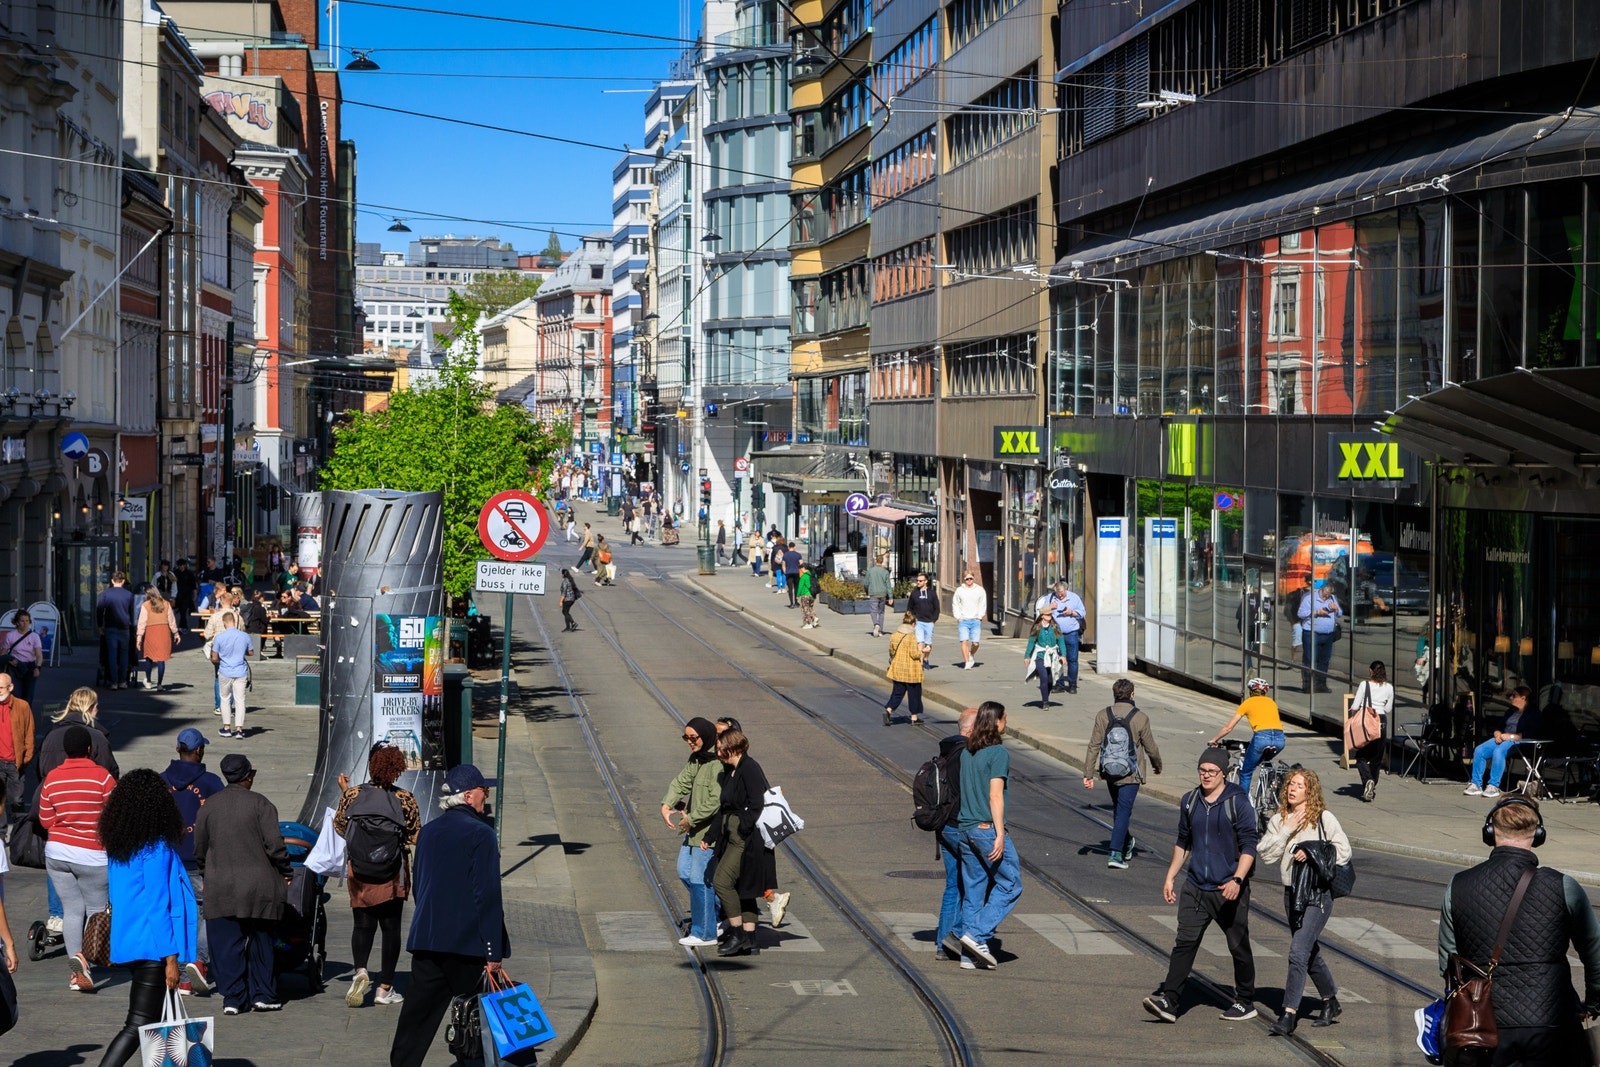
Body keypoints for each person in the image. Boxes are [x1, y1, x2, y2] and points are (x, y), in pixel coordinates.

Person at [1438, 797, 1600, 1064]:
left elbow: (1448, 962)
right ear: (1538, 835)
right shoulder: (1563, 886)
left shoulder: (1459, 885)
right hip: (1552, 1025)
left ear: (1490, 833)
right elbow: (1594, 953)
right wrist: (1593, 1002)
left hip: (1484, 1027)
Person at [389, 764, 509, 1067]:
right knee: (478, 1016)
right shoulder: (482, 835)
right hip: (467, 945)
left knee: (417, 1017)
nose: (487, 796)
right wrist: (492, 949)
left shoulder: (428, 832)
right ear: (469, 796)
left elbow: (421, 885)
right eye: (484, 790)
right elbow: (488, 896)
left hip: (428, 940)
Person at [1143, 746, 1260, 1024]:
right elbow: (1183, 842)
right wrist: (1171, 876)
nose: (1206, 775)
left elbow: (1249, 846)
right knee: (1184, 942)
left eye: (1212, 771)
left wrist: (1237, 879)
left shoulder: (1238, 802)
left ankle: (1245, 1001)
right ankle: (1170, 1001)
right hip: (1196, 887)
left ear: (1224, 773)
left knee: (1238, 946)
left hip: (1228, 889)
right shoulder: (1190, 801)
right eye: (1202, 770)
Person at [96, 769, 198, 1065]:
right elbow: (158, 905)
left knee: (149, 1019)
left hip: (128, 942)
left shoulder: (119, 847)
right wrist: (170, 959)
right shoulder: (156, 848)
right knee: (138, 1023)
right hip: (152, 946)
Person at [193, 753, 290, 1015]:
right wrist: (286, 870)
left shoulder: (209, 806)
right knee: (261, 942)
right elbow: (275, 846)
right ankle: (263, 994)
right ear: (248, 777)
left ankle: (234, 998)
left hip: (221, 886)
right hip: (259, 887)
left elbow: (199, 848)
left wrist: (207, 871)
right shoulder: (262, 804)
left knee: (226, 945)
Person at [1257, 767, 1350, 1035]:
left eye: (1298, 785)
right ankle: (1330, 1000)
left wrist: (1311, 852)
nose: (1292, 789)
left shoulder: (1323, 819)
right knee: (1307, 950)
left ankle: (1289, 1013)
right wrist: (1286, 830)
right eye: (1290, 785)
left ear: (1310, 790)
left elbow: (1343, 852)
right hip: (1291, 895)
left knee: (1298, 951)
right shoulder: (1279, 820)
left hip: (1317, 894)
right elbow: (1267, 855)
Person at [336, 744, 421, 1008]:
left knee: (362, 924)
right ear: (397, 771)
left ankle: (360, 970)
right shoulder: (405, 799)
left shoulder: (352, 795)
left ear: (372, 767)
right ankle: (384, 989)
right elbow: (414, 835)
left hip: (359, 870)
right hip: (391, 872)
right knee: (391, 928)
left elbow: (340, 826)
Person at [39, 725, 117, 992]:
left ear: (65, 751)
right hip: (93, 855)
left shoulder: (52, 778)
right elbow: (115, 816)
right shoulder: (102, 777)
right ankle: (90, 961)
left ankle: (77, 968)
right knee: (96, 911)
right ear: (88, 749)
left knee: (71, 910)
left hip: (58, 853)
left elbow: (46, 819)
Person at [953, 701, 1021, 969]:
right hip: (985, 829)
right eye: (1004, 719)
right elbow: (995, 796)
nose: (1007, 723)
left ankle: (968, 956)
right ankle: (975, 935)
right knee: (1011, 884)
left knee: (973, 892)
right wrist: (1000, 833)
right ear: (996, 722)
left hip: (964, 830)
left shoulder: (967, 752)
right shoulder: (997, 753)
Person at [160, 728, 224, 996]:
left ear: (178, 749)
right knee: (207, 910)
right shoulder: (211, 783)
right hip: (201, 860)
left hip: (167, 859)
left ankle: (178, 971)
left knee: (175, 912)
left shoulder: (161, 780)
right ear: (199, 751)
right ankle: (198, 962)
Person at [706, 727, 775, 958]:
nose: (717, 752)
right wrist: (711, 835)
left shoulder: (750, 768)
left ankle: (737, 934)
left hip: (745, 840)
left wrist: (742, 827)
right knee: (742, 887)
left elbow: (758, 802)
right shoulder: (730, 770)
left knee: (722, 882)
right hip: (731, 837)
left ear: (732, 747)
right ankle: (751, 940)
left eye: (720, 748)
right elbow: (723, 808)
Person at [1083, 679, 1163, 869]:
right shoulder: (1141, 717)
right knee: (1123, 812)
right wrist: (1157, 765)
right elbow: (1151, 747)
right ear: (1132, 694)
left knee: (1120, 811)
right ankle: (1115, 854)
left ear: (1114, 694)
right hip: (1131, 774)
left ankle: (1126, 842)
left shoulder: (1103, 715)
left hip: (1110, 772)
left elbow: (1094, 745)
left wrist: (1088, 773)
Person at [660, 717, 724, 948]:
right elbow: (682, 782)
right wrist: (667, 804)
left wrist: (691, 819)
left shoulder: (717, 763)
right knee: (684, 872)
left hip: (707, 832)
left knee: (700, 880)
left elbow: (715, 801)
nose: (689, 741)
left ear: (705, 736)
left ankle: (705, 932)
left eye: (693, 737)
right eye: (686, 737)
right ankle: (719, 914)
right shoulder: (697, 759)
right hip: (693, 830)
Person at [934, 708, 977, 967]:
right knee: (978, 884)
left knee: (953, 885)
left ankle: (942, 944)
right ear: (970, 731)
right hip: (962, 826)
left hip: (945, 826)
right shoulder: (967, 755)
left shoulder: (946, 749)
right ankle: (956, 935)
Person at [1209, 677, 1286, 798]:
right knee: (1264, 760)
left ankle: (1242, 804)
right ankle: (1271, 777)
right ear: (1265, 692)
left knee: (1246, 772)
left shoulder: (1247, 703)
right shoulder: (1272, 702)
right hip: (1280, 739)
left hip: (1261, 737)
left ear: (1250, 691)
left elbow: (1228, 727)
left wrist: (1215, 739)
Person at [1465, 685, 1539, 799]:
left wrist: (1511, 736)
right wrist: (1498, 734)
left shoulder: (1533, 713)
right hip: (1504, 738)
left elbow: (1531, 733)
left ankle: (1493, 785)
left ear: (1523, 698)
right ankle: (1476, 784)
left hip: (1520, 741)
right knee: (1479, 750)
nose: (1511, 698)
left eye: (1514, 695)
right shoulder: (1511, 711)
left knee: (1499, 751)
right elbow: (1499, 727)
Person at [1350, 660, 1395, 803]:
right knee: (1376, 757)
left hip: (1367, 722)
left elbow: (1356, 705)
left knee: (1361, 757)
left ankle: (1368, 780)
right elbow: (1388, 709)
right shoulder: (1389, 687)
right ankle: (1372, 784)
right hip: (1381, 721)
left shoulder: (1365, 685)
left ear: (1371, 671)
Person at [211, 611, 254, 740]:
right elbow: (251, 652)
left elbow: (214, 657)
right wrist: (242, 651)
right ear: (234, 622)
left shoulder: (219, 638)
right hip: (240, 671)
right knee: (240, 700)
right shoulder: (244, 636)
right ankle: (239, 729)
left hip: (225, 671)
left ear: (224, 623)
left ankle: (227, 727)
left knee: (224, 698)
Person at [0, 670, 34, 832]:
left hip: (16, 763)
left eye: (1, 687)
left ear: (11, 687)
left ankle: (19, 833)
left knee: (16, 800)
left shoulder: (22, 706)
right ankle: (1, 833)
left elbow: (29, 733)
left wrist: (26, 758)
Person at [1296, 579, 1343, 692]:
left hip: (1328, 635)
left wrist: (1336, 609)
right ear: (1321, 590)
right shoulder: (1309, 599)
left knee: (1324, 660)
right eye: (1325, 595)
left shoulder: (1332, 598)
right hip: (1312, 633)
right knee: (1310, 659)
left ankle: (1321, 684)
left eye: (1329, 595)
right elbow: (1300, 614)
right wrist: (1316, 612)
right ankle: (1307, 685)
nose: (1326, 597)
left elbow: (1340, 613)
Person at [1043, 581, 1087, 693]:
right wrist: (1050, 607)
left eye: (1062, 593)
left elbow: (1082, 612)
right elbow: (1041, 612)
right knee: (1056, 659)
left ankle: (1072, 684)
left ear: (1066, 590)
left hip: (1071, 633)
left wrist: (1071, 612)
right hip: (1056, 633)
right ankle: (1059, 684)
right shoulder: (1050, 597)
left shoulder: (1074, 598)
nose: (1060, 595)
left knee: (1072, 659)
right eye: (1058, 594)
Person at [96, 571, 137, 689]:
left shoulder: (106, 594)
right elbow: (132, 613)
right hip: (124, 628)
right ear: (123, 581)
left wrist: (100, 625)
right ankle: (123, 681)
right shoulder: (129, 595)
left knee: (112, 654)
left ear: (112, 581)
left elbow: (99, 610)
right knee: (124, 654)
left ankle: (113, 681)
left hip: (110, 627)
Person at [884, 610, 925, 726]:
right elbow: (914, 654)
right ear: (913, 624)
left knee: (897, 692)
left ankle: (888, 710)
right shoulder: (911, 637)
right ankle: (914, 717)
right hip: (911, 671)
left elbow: (891, 651)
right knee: (914, 694)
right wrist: (922, 651)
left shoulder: (894, 635)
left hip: (897, 669)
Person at [135, 588, 181, 690]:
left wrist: (139, 638)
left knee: (148, 657)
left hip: (151, 632)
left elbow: (142, 623)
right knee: (161, 659)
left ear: (148, 594)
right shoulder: (166, 604)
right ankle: (159, 684)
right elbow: (171, 620)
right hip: (163, 632)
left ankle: (148, 681)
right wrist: (176, 633)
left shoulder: (145, 605)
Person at [1022, 614, 1069, 708]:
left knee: (1050, 681)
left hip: (1052, 657)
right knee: (1044, 678)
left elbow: (1061, 642)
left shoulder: (1055, 627)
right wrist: (1027, 656)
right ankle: (1045, 702)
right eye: (1047, 614)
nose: (1049, 616)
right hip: (1040, 655)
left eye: (1050, 614)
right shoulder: (1037, 627)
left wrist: (1063, 655)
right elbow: (1031, 642)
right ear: (1042, 616)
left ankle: (1045, 696)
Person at [1, 609, 44, 705]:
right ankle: (16, 717)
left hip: (29, 666)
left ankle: (26, 717)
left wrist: (38, 667)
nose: (25, 623)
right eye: (22, 621)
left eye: (27, 621)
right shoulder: (10, 636)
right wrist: (9, 661)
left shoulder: (34, 636)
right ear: (17, 622)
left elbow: (39, 654)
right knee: (16, 695)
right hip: (15, 666)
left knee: (28, 696)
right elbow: (3, 653)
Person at [952, 571, 987, 670]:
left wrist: (980, 616)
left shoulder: (980, 590)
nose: (969, 580)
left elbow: (983, 603)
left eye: (971, 578)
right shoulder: (959, 590)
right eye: (967, 579)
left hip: (975, 620)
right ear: (964, 580)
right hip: (963, 620)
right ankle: (967, 662)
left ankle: (971, 654)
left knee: (975, 643)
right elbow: (955, 603)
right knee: (964, 641)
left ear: (973, 578)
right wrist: (958, 616)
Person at [907, 572, 939, 667]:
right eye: (917, 580)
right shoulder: (914, 593)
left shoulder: (932, 593)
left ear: (926, 581)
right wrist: (912, 620)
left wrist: (934, 619)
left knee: (928, 644)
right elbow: (910, 608)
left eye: (920, 581)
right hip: (919, 622)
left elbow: (937, 608)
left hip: (929, 622)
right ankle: (920, 663)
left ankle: (926, 658)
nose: (918, 582)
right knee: (920, 642)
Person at [863, 555, 892, 638]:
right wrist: (890, 597)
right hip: (883, 594)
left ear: (876, 561)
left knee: (873, 611)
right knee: (881, 612)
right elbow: (888, 585)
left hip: (873, 593)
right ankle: (880, 631)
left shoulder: (870, 571)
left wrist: (867, 591)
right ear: (882, 561)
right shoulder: (885, 572)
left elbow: (865, 583)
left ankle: (876, 624)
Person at [174, 558, 197, 630]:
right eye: (180, 565)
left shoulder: (189, 573)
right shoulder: (175, 573)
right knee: (182, 610)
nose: (181, 567)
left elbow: (193, 584)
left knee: (183, 611)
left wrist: (195, 594)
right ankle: (183, 625)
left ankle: (183, 626)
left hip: (187, 594)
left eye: (183, 565)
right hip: (179, 594)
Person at [559, 568, 581, 632]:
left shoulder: (565, 582)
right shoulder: (570, 580)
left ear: (563, 575)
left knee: (565, 612)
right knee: (565, 612)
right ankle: (568, 626)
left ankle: (573, 623)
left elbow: (564, 593)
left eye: (562, 574)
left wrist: (560, 601)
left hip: (567, 599)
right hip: (572, 599)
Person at [797, 563, 819, 630]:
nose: (800, 570)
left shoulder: (804, 576)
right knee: (810, 608)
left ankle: (808, 623)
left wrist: (798, 595)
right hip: (812, 594)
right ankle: (814, 618)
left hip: (805, 595)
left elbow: (800, 586)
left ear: (804, 568)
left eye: (801, 569)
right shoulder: (814, 575)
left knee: (805, 609)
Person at [782, 542, 802, 608]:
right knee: (796, 588)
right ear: (794, 547)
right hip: (796, 573)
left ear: (788, 547)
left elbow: (783, 565)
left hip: (788, 573)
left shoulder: (785, 555)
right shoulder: (798, 555)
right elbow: (801, 564)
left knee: (790, 588)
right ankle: (796, 602)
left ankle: (791, 603)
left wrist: (785, 572)